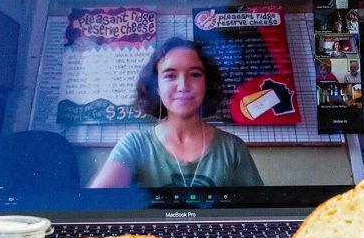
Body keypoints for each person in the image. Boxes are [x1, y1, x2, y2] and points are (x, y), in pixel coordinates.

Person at [89, 37, 263, 188]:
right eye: (170, 76)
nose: (183, 86)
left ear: (206, 83)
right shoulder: (135, 145)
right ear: (156, 87)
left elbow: (259, 210)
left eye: (195, 74)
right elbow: (95, 206)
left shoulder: (232, 148)